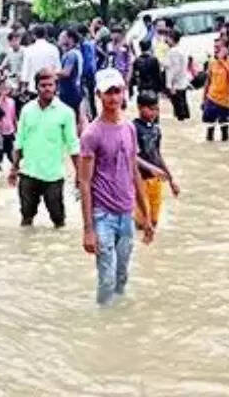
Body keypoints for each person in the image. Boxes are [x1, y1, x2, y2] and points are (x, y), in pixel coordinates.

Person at [79, 68, 154, 306]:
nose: (113, 98)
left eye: (117, 91)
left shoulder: (129, 128)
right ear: (98, 95)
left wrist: (147, 214)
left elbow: (133, 171)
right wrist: (88, 229)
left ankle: (118, 321)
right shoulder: (91, 134)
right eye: (108, 92)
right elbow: (84, 181)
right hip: (103, 215)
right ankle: (102, 321)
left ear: (124, 93)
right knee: (107, 279)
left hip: (126, 212)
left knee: (122, 275)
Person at [9, 68, 79, 228]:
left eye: (50, 85)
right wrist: (14, 169)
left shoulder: (66, 113)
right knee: (26, 219)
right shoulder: (27, 110)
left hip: (53, 176)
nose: (47, 88)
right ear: (36, 87)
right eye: (43, 85)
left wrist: (79, 175)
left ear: (56, 87)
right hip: (28, 173)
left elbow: (73, 146)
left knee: (58, 220)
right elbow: (19, 141)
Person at [131, 91, 178, 230]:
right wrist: (149, 167)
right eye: (150, 109)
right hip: (140, 180)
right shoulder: (133, 128)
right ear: (140, 107)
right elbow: (130, 155)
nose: (154, 112)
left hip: (156, 181)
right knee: (141, 221)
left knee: (154, 220)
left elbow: (157, 154)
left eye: (156, 109)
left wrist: (171, 180)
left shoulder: (156, 130)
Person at [201, 39, 229, 142]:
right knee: (209, 133)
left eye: (218, 47)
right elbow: (208, 81)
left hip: (225, 102)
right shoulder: (211, 62)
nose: (216, 50)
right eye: (215, 47)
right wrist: (203, 99)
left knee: (225, 134)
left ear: (227, 49)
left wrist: (222, 61)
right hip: (211, 99)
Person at [18, 24, 60, 94]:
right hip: (50, 86)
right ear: (45, 35)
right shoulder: (53, 49)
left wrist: (24, 85)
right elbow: (57, 69)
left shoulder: (29, 50)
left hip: (33, 86)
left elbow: (26, 69)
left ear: (34, 35)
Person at [56, 29, 85, 119]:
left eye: (62, 37)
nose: (60, 39)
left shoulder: (71, 55)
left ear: (70, 39)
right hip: (76, 90)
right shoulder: (77, 52)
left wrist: (52, 71)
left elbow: (66, 72)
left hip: (69, 92)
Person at [163, 30, 191, 121]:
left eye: (168, 38)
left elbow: (175, 69)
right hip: (182, 80)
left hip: (176, 82)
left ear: (172, 39)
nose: (166, 40)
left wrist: (172, 84)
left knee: (178, 106)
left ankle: (181, 119)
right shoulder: (182, 49)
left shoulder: (173, 52)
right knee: (183, 102)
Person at [0, 79, 17, 157]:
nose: (4, 89)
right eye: (2, 88)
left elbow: (13, 116)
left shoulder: (12, 101)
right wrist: (1, 97)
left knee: (10, 152)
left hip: (9, 131)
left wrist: (15, 129)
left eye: (6, 87)